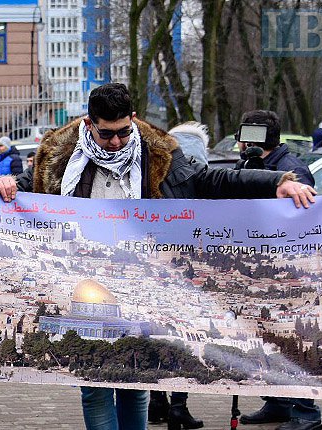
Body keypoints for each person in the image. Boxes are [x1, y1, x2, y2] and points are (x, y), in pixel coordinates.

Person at [0, 83, 316, 430]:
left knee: (135, 381)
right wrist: (0, 182)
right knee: (95, 385)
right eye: (106, 134)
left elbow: (211, 180)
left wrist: (274, 182)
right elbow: (23, 186)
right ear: (88, 124)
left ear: (133, 119)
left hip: (140, 284)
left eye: (123, 132)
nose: (115, 142)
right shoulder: (57, 155)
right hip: (83, 285)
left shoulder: (160, 155)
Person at [234, 110, 321, 430]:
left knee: (292, 342)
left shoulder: (291, 170)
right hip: (256, 267)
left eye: (244, 134)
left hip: (287, 271)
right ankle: (279, 402)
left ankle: (306, 413)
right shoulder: (248, 166)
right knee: (267, 340)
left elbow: (303, 217)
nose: (241, 141)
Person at [148, 121, 211, 429]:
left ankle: (156, 401)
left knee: (156, 333)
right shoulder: (195, 169)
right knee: (183, 337)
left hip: (153, 267)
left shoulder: (158, 166)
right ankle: (178, 405)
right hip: (185, 269)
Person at [235, 110, 315, 187]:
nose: (237, 142)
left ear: (248, 142)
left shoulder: (294, 171)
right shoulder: (246, 167)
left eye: (238, 137)